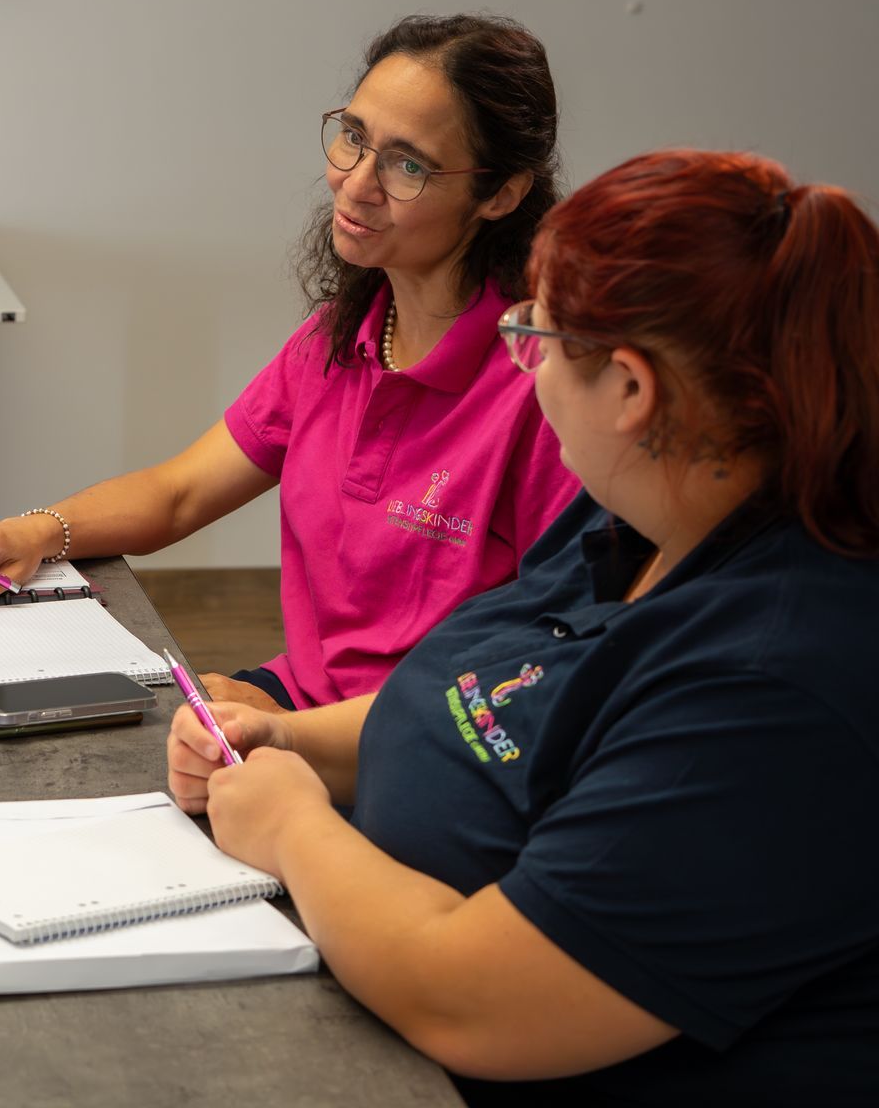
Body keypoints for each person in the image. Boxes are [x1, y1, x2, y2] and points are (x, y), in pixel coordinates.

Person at [169, 150, 879, 1102]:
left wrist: (295, 827)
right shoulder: (640, 514)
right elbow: (490, 704)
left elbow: (473, 999)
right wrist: (287, 735)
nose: (527, 367)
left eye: (533, 338)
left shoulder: (769, 691)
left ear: (631, 391)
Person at [0, 15, 578, 710]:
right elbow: (181, 493)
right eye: (353, 137)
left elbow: (537, 676)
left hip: (431, 751)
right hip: (296, 705)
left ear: (501, 194)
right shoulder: (341, 336)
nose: (354, 185)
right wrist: (35, 531)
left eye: (407, 165)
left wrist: (291, 738)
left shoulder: (544, 388)